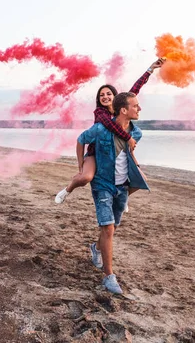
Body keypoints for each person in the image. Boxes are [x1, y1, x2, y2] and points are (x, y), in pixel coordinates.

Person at [54, 58, 164, 204]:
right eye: (102, 95)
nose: (105, 97)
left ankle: (122, 199)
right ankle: (67, 190)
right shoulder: (100, 112)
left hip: (116, 152)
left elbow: (135, 89)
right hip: (97, 152)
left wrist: (150, 70)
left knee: (141, 179)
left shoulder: (121, 108)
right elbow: (109, 125)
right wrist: (80, 163)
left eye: (108, 94)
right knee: (85, 178)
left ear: (115, 96)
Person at [76, 92, 150, 294]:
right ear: (124, 110)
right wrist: (82, 167)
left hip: (122, 186)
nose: (139, 108)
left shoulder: (137, 133)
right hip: (102, 184)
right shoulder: (100, 129)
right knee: (108, 229)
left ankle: (97, 248)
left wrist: (138, 171)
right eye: (135, 105)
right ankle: (109, 277)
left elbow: (129, 156)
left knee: (112, 228)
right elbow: (81, 139)